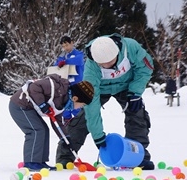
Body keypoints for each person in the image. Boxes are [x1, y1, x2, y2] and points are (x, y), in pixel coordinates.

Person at [63, 34, 155, 170]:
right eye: (102, 64)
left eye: (110, 62)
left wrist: (135, 92)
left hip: (127, 86)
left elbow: (145, 68)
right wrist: (98, 136)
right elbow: (91, 105)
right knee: (82, 119)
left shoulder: (130, 47)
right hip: (101, 89)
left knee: (137, 115)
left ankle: (137, 157)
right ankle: (65, 158)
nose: (106, 65)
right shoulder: (91, 69)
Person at [9, 74, 94, 171]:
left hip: (29, 108)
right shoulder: (57, 88)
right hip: (19, 105)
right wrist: (42, 104)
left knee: (44, 130)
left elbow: (57, 122)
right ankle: (31, 162)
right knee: (36, 130)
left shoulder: (63, 102)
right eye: (81, 105)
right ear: (75, 98)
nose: (80, 107)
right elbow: (35, 87)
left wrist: (65, 137)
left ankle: (40, 161)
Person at [53, 36, 86, 164]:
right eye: (63, 46)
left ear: (72, 43)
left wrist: (64, 63)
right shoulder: (63, 56)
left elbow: (77, 61)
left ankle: (76, 130)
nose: (65, 48)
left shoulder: (78, 54)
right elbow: (57, 64)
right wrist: (62, 62)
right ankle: (66, 130)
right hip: (67, 87)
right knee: (66, 110)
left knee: (78, 111)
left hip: (78, 87)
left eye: (67, 45)